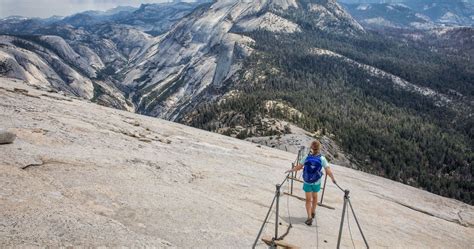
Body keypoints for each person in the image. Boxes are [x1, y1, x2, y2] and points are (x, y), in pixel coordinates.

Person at [285, 140, 336, 226]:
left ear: (311, 148)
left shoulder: (306, 157)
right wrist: (333, 179)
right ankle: (313, 211)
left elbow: (299, 167)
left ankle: (309, 217)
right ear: (319, 148)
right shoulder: (322, 159)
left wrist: (291, 170)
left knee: (308, 199)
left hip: (307, 181)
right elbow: (328, 170)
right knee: (315, 196)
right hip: (317, 181)